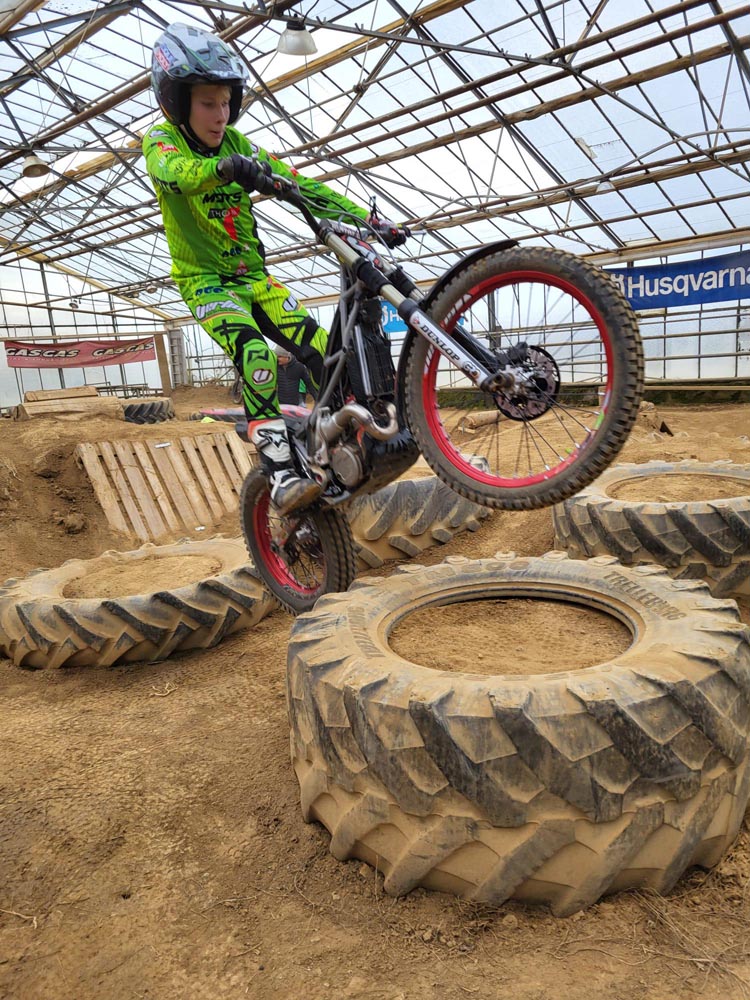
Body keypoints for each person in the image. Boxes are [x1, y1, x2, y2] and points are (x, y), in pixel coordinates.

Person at [143, 23, 404, 513]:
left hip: (255, 280)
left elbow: (301, 184)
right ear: (176, 101)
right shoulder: (162, 141)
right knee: (256, 356)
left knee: (327, 351)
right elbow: (173, 174)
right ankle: (279, 472)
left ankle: (335, 444)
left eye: (226, 103)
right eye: (207, 103)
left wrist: (367, 221)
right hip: (207, 284)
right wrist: (221, 169)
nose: (221, 115)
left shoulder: (238, 143)